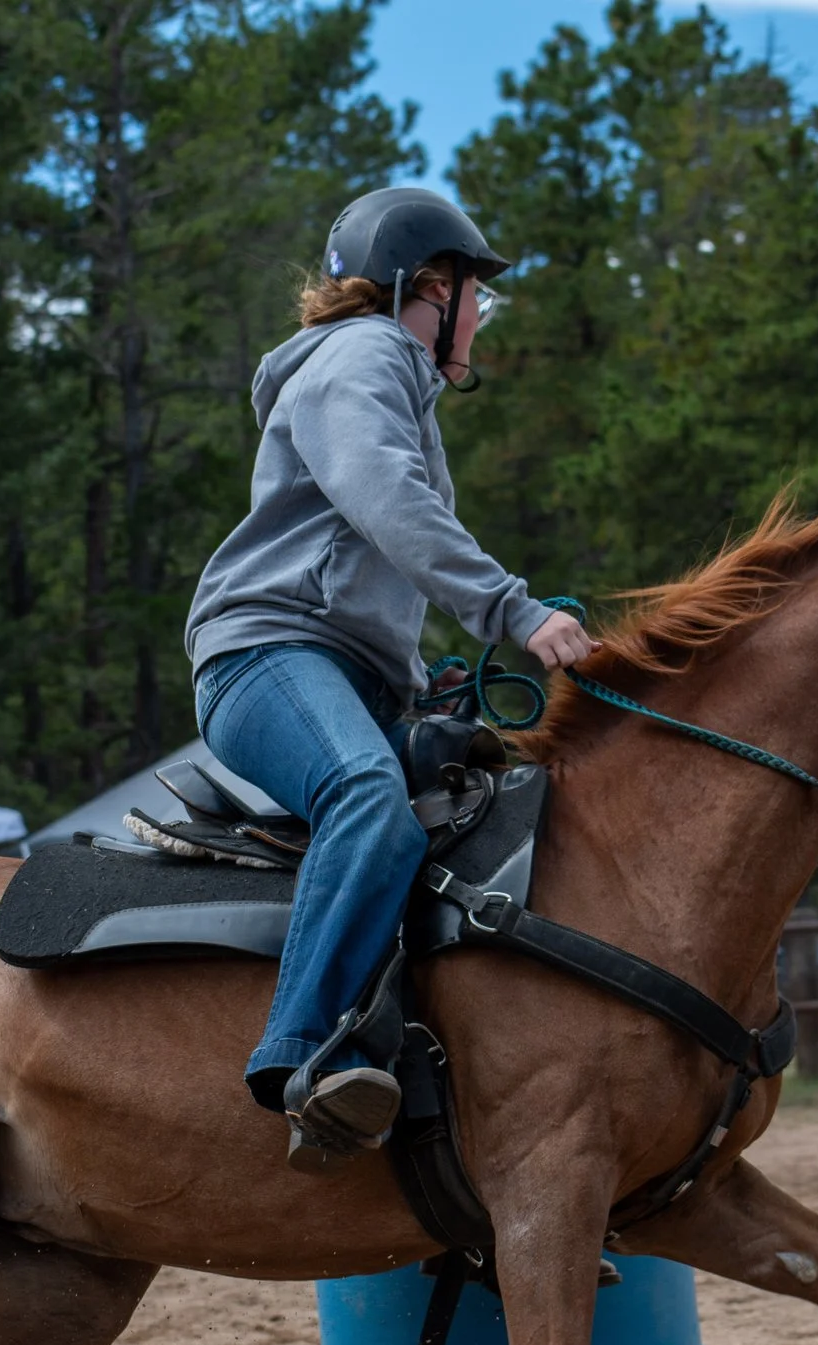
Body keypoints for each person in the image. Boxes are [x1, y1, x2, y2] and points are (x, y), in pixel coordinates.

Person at [182, 186, 597, 1166]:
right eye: (471, 294)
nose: (481, 318)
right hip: (267, 654)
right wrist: (514, 610)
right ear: (425, 288)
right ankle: (301, 1054)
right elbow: (389, 503)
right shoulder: (364, 354)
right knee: (367, 796)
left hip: (350, 671)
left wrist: (427, 679)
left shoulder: (390, 376)